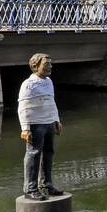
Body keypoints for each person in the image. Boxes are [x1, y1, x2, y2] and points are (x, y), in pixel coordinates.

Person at [18, 53, 64, 201]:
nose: (50, 66)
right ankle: (30, 188)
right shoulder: (28, 85)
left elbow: (51, 101)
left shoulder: (49, 82)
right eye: (46, 64)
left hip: (49, 122)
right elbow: (23, 106)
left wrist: (56, 120)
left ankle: (46, 184)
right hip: (36, 124)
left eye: (50, 64)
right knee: (33, 154)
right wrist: (25, 128)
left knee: (49, 152)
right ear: (35, 66)